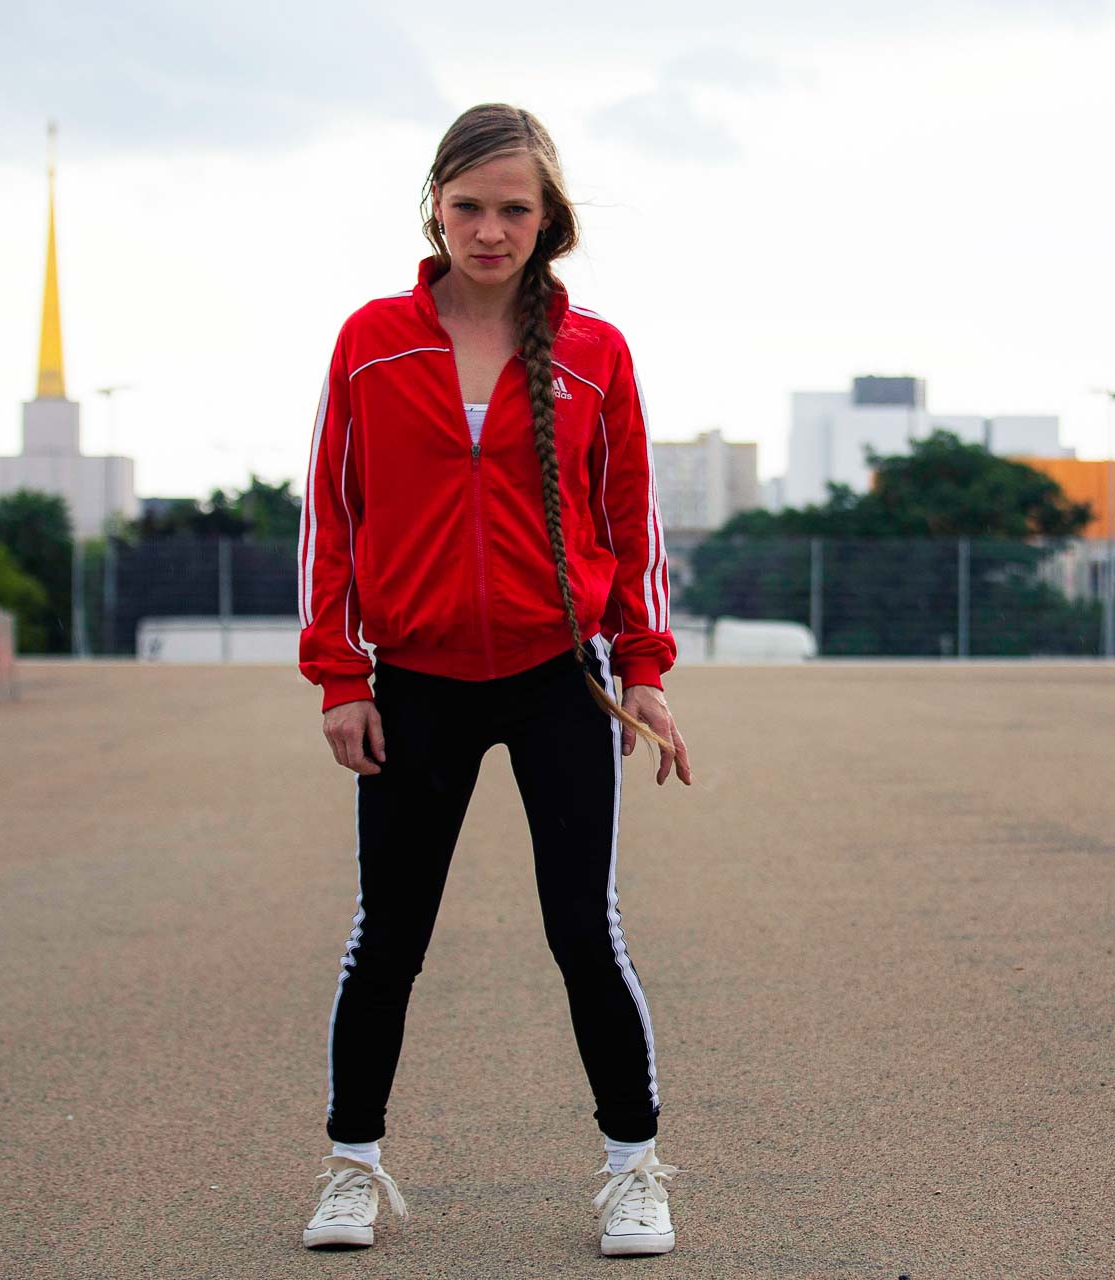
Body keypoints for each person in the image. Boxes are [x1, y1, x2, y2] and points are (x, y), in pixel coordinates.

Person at [294, 103, 693, 1258]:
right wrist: (337, 673)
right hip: (412, 679)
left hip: (558, 676)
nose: (489, 228)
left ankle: (632, 1168)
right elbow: (332, 511)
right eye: (468, 205)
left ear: (547, 216)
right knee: (390, 934)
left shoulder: (595, 353)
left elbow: (633, 521)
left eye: (514, 207)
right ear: (435, 207)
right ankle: (353, 1168)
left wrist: (647, 670)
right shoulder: (372, 339)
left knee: (584, 928)